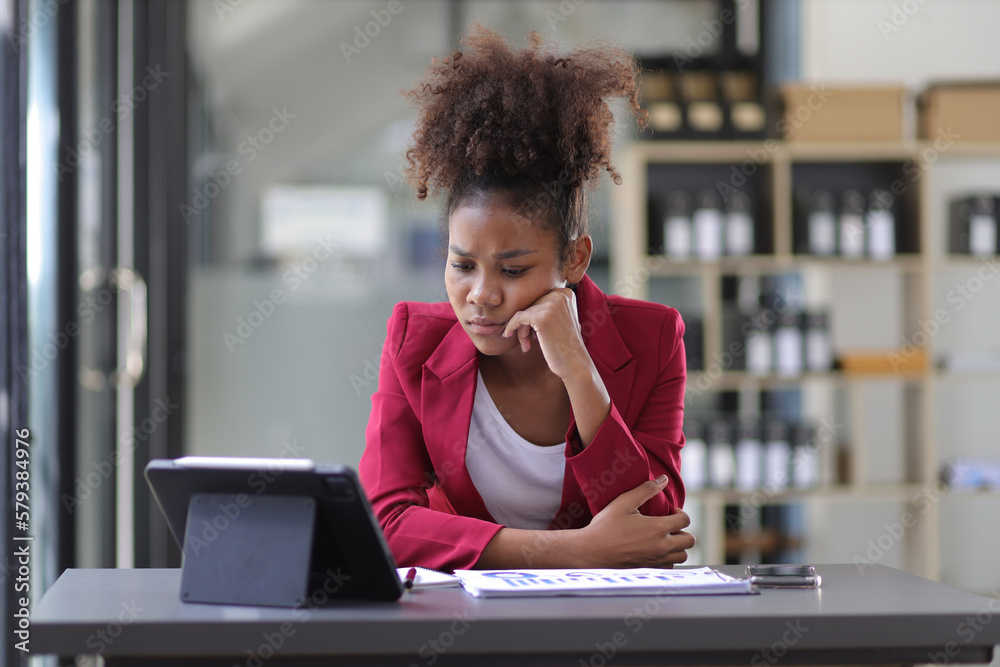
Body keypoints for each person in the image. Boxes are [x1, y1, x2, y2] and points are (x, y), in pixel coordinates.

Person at [359, 23, 693, 573]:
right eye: (461, 265)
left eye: (513, 269)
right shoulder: (414, 343)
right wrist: (574, 552)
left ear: (575, 259)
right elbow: (387, 524)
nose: (481, 295)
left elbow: (655, 529)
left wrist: (581, 374)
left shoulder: (653, 338)